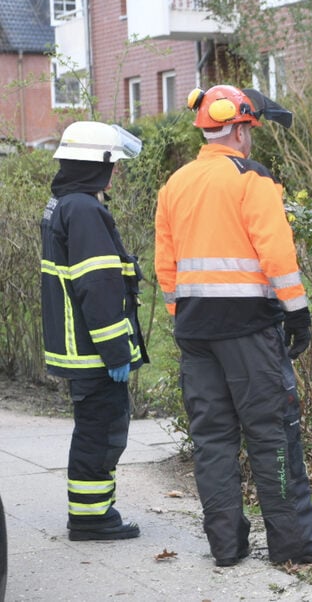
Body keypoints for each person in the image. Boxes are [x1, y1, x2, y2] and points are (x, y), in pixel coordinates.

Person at [154, 85, 312, 567]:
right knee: (272, 433)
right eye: (250, 131)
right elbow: (276, 250)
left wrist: (187, 318)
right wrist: (297, 312)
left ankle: (226, 546)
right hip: (249, 332)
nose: (251, 140)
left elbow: (166, 268)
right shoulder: (250, 177)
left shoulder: (174, 184)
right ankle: (293, 543)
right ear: (239, 129)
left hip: (195, 334)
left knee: (212, 439)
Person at [41, 121, 148, 541]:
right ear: (96, 166)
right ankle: (91, 518)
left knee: (94, 428)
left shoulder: (65, 204)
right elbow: (98, 286)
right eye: (113, 166)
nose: (115, 173)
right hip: (94, 353)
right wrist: (116, 351)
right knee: (101, 431)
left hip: (80, 348)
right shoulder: (85, 210)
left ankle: (92, 510)